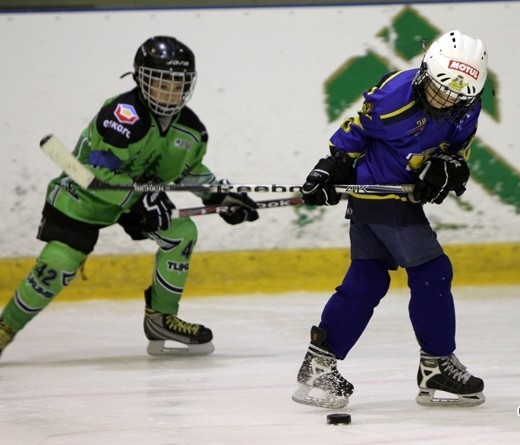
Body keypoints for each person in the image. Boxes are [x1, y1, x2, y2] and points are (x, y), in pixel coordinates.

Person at [0, 36, 259, 359]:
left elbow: (189, 170)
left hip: (137, 197)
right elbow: (95, 176)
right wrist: (140, 200)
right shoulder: (122, 115)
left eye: (178, 85)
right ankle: (5, 328)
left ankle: (161, 320)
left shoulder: (192, 130)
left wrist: (220, 195)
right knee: (58, 266)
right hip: (83, 197)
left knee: (181, 233)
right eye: (161, 83)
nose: (170, 93)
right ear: (141, 80)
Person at [292, 30, 488, 409]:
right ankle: (436, 363)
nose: (446, 101)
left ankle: (320, 364)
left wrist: (448, 168)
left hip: (388, 202)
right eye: (440, 89)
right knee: (433, 271)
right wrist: (329, 168)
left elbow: (456, 150)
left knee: (366, 279)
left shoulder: (467, 105)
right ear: (424, 73)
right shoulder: (393, 96)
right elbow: (356, 133)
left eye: (457, 96)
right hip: (381, 195)